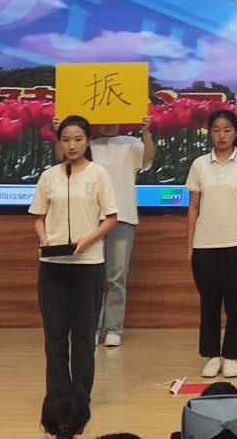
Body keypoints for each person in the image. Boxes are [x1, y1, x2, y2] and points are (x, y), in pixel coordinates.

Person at [31, 115, 118, 397]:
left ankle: (80, 394)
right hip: (52, 265)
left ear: (87, 141)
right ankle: (57, 394)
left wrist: (87, 240)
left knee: (83, 335)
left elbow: (111, 218)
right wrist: (44, 239)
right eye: (66, 139)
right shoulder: (49, 176)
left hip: (87, 264)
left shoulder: (98, 174)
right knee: (54, 335)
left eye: (78, 139)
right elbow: (38, 217)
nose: (72, 145)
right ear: (59, 142)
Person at [185, 108, 237, 381]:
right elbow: (193, 207)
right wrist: (190, 245)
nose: (222, 135)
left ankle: (231, 356)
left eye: (227, 130)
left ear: (236, 133)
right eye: (216, 130)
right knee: (210, 303)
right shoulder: (199, 164)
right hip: (205, 243)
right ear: (210, 133)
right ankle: (212, 355)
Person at [90, 116, 155, 347]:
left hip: (122, 218)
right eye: (105, 118)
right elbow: (62, 158)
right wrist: (59, 131)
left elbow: (147, 158)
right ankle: (93, 328)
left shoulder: (131, 144)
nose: (108, 122)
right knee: (93, 277)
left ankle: (113, 329)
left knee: (117, 278)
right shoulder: (89, 145)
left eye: (113, 118)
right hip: (92, 220)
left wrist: (146, 132)